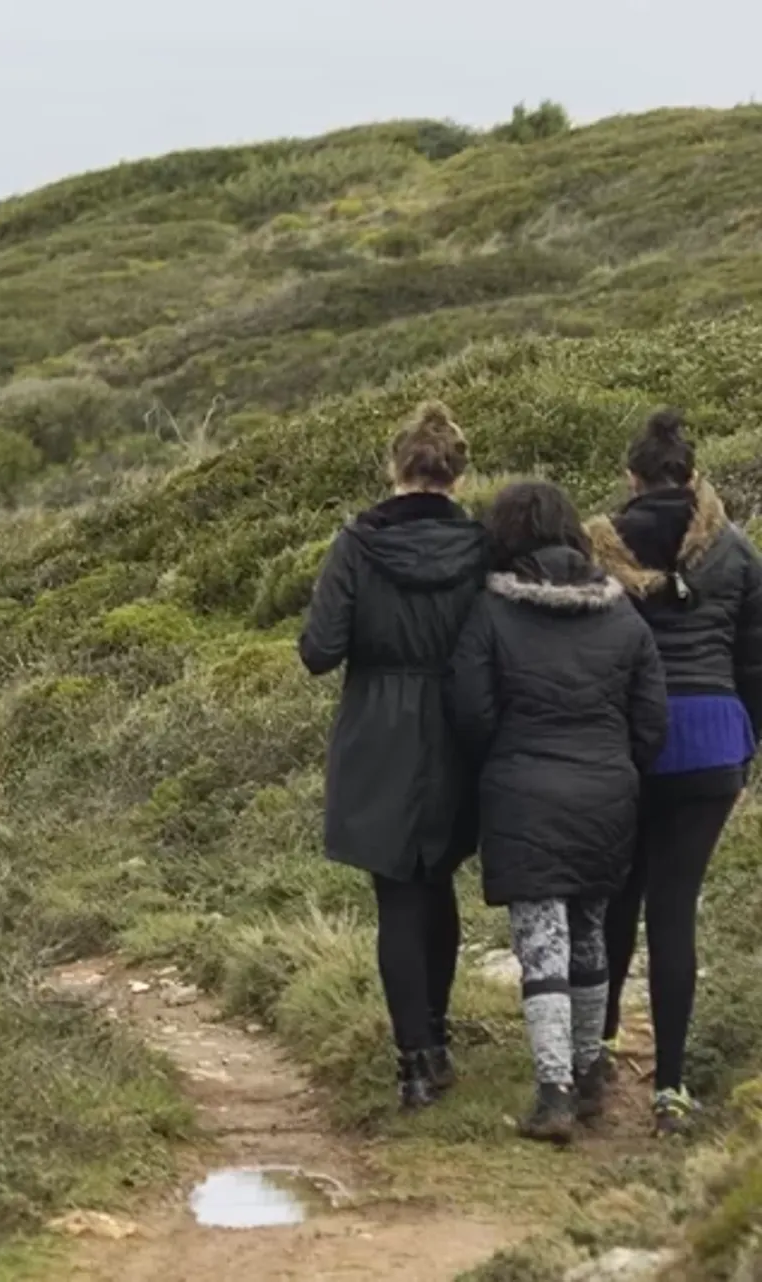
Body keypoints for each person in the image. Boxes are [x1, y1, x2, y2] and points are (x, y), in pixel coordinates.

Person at [450, 481, 667, 1145]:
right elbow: (651, 719)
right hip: (607, 792)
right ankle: (592, 1069)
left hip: (524, 791)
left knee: (541, 942)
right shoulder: (622, 613)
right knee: (591, 931)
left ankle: (554, 1095)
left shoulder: (491, 613)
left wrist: (505, 759)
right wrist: (616, 763)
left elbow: (470, 711)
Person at [298, 402, 489, 1111]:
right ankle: (436, 1043)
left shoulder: (356, 544)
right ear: (457, 475)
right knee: (437, 882)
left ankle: (412, 1065)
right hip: (457, 726)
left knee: (397, 897)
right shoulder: (479, 545)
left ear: (396, 466)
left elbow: (320, 652)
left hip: (378, 729)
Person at [587, 409, 762, 1136]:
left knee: (619, 899)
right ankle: (672, 1087)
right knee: (675, 910)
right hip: (714, 740)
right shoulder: (737, 551)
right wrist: (750, 745)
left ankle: (595, 1050)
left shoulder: (602, 546)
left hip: (630, 742)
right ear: (694, 476)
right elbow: (754, 662)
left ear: (632, 478)